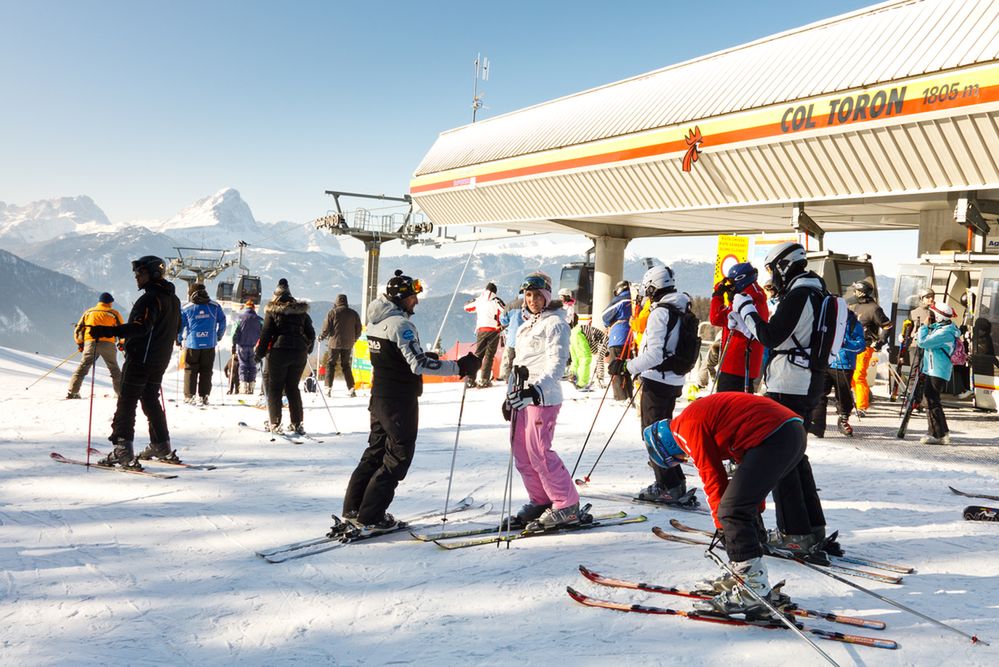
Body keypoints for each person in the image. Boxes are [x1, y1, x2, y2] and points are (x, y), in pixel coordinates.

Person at [643, 392, 807, 616]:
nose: (685, 459)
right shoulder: (694, 418)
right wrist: (746, 515)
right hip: (789, 430)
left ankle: (752, 590)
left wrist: (724, 526)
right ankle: (745, 574)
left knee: (730, 511)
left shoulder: (684, 429)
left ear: (668, 446)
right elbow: (746, 480)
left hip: (774, 435)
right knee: (737, 506)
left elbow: (712, 478)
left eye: (679, 458)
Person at [343, 269, 481, 531]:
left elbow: (393, 357)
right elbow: (417, 365)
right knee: (397, 457)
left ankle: (353, 508)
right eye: (412, 297)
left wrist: (423, 353)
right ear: (401, 298)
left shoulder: (375, 322)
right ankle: (371, 516)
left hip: (380, 397)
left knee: (374, 452)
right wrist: (459, 367)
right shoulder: (402, 325)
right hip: (399, 401)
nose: (416, 301)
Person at [729, 241, 832, 556]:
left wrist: (745, 309)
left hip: (789, 384)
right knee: (795, 456)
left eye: (774, 269)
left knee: (779, 458)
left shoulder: (800, 295)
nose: (773, 276)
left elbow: (770, 336)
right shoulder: (815, 292)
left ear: (786, 265)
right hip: (805, 382)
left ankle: (795, 532)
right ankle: (811, 527)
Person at [86, 256, 182, 469]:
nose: (136, 277)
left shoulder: (150, 298)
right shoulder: (173, 299)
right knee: (150, 399)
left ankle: (123, 450)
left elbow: (141, 327)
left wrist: (109, 331)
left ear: (153, 274)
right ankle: (161, 446)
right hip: (160, 360)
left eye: (140, 273)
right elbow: (177, 328)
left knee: (127, 401)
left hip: (140, 359)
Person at [505, 271, 582, 529]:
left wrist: (535, 391)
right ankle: (541, 499)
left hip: (543, 398)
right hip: (522, 396)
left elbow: (557, 364)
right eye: (528, 295)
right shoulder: (528, 324)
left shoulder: (555, 323)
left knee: (539, 452)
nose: (532, 300)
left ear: (547, 296)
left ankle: (565, 503)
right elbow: (518, 363)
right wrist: (510, 396)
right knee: (522, 454)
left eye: (538, 295)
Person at [608, 265, 691, 503]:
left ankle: (668, 485)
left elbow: (654, 354)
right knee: (663, 434)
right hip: (672, 378)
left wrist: (627, 366)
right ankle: (675, 480)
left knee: (651, 434)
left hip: (658, 379)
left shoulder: (661, 312)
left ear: (653, 287)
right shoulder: (678, 306)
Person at [254, 279, 315, 435]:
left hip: (279, 352)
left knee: (274, 388)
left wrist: (259, 354)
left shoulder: (273, 311)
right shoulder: (301, 311)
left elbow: (266, 334)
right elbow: (311, 334)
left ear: (276, 295)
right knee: (292, 388)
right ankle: (297, 423)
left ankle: (275, 422)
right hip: (299, 353)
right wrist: (307, 349)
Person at [709, 262, 768, 393]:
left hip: (735, 364)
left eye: (731, 282)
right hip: (744, 365)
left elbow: (716, 318)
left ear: (740, 280)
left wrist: (717, 295)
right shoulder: (755, 295)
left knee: (726, 409)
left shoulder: (747, 298)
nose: (730, 287)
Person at [810, 308, 865, 437]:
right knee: (819, 393)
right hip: (825, 361)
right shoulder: (825, 320)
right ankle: (817, 424)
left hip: (844, 364)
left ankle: (843, 418)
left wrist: (845, 343)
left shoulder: (853, 324)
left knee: (843, 394)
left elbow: (861, 345)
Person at [917, 302, 961, 444]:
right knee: (933, 400)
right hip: (934, 369)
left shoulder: (945, 333)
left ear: (939, 316)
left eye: (934, 314)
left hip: (937, 370)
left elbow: (923, 342)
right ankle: (943, 432)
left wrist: (923, 327)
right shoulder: (944, 328)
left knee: (930, 401)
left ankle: (936, 435)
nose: (932, 316)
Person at [67, 292, 123, 399]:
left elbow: (78, 330)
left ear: (99, 302)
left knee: (83, 367)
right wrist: (121, 343)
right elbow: (122, 330)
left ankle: (73, 392)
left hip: (90, 343)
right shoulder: (114, 313)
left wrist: (80, 344)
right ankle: (120, 393)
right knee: (114, 368)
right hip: (108, 344)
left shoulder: (89, 312)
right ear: (110, 302)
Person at [178, 282, 226, 405]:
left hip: (192, 343)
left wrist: (178, 339)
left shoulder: (186, 308)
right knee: (206, 370)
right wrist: (218, 335)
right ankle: (204, 396)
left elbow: (180, 325)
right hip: (210, 343)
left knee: (190, 369)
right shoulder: (215, 306)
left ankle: (189, 396)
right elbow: (222, 321)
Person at [849, 280, 891, 416]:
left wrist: (880, 342)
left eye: (856, 290)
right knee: (852, 377)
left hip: (866, 346)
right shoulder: (855, 307)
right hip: (852, 346)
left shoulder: (874, 308)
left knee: (859, 375)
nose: (854, 293)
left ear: (861, 292)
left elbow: (887, 325)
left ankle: (861, 407)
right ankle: (862, 399)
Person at [318, 294, 362, 397]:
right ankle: (351, 389)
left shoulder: (332, 313)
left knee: (331, 364)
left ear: (336, 301)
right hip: (348, 344)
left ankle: (328, 388)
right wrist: (354, 339)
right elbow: (359, 329)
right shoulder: (354, 313)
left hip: (334, 343)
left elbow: (326, 328)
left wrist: (321, 337)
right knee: (346, 365)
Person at [463, 282, 504, 388]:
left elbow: (467, 307)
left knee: (478, 355)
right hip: (494, 330)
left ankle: (471, 380)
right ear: (495, 291)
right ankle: (484, 380)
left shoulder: (479, 300)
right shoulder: (496, 300)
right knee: (489, 356)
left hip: (481, 330)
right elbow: (505, 311)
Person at [601, 280, 634, 401]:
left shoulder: (621, 300)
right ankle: (629, 394)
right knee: (627, 368)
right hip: (632, 338)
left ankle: (620, 397)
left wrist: (608, 324)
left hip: (618, 337)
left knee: (616, 367)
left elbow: (605, 315)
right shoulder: (636, 300)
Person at [232, 300, 263, 394]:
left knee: (243, 365)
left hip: (242, 346)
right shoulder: (260, 320)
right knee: (253, 366)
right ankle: (251, 386)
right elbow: (264, 333)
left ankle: (243, 385)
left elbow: (234, 333)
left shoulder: (239, 318)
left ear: (246, 307)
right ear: (253, 308)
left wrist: (233, 344)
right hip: (255, 346)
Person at [498, 297, 524, 382]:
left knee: (508, 360)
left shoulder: (511, 304)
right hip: (526, 339)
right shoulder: (534, 303)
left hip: (512, 338)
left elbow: (503, 320)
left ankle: (506, 378)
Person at [568, 315, 593, 390]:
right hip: (578, 334)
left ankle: (572, 376)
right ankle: (582, 384)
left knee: (576, 360)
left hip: (571, 335)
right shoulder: (578, 330)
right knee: (585, 358)